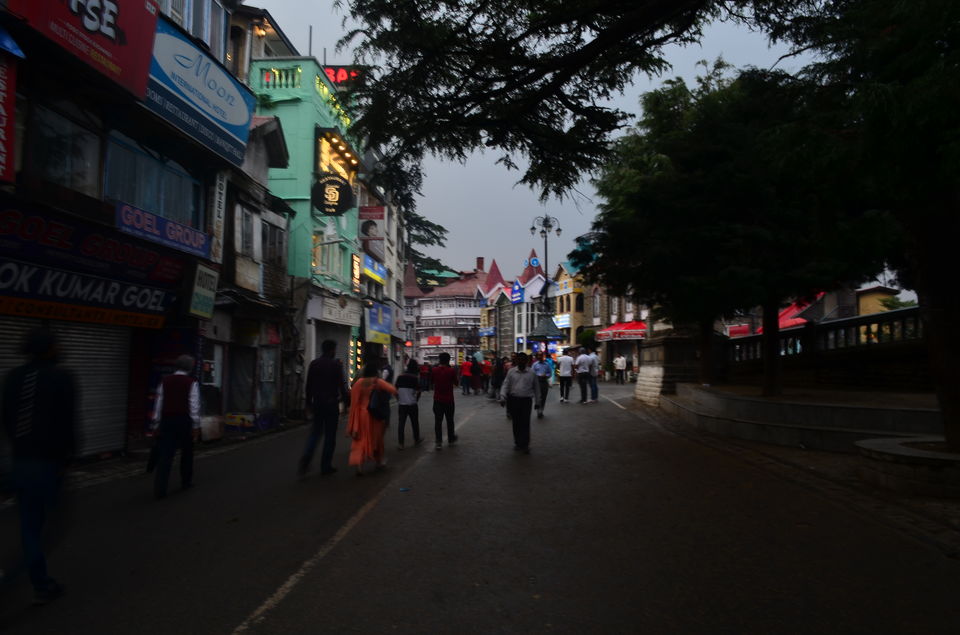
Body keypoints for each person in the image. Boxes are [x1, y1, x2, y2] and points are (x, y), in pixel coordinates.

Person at [1, 328, 76, 604]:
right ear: (49, 349)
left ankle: (39, 580)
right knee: (49, 528)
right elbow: (67, 423)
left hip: (21, 462)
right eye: (56, 344)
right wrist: (67, 459)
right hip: (48, 464)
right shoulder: (61, 377)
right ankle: (21, 582)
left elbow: (7, 420)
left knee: (30, 525)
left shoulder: (13, 377)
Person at [299, 339, 351, 477]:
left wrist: (308, 405)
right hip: (331, 404)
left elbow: (308, 386)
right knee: (330, 436)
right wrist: (346, 404)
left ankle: (306, 459)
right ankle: (325, 466)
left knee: (315, 433)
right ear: (332, 350)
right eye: (335, 349)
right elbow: (342, 386)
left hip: (317, 404)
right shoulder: (336, 365)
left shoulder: (314, 364)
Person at [152, 354, 201, 499]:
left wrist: (156, 424)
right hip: (184, 421)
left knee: (165, 455)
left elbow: (159, 404)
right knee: (187, 452)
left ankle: (160, 488)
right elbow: (194, 406)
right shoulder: (191, 382)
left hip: (167, 421)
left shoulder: (165, 381)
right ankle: (186, 481)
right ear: (189, 368)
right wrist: (196, 425)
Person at [347, 363, 398, 475]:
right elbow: (392, 389)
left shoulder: (359, 383)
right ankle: (378, 463)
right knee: (377, 439)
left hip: (361, 415)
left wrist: (353, 421)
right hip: (374, 415)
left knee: (359, 440)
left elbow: (353, 402)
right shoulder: (377, 381)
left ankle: (359, 466)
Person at [499, 352, 540, 453]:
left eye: (523, 359)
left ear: (526, 361)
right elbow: (506, 385)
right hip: (514, 400)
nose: (521, 361)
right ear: (516, 360)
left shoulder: (532, 373)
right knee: (516, 423)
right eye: (519, 359)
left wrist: (538, 402)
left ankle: (525, 444)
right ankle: (518, 442)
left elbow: (536, 388)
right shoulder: (511, 372)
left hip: (526, 401)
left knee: (525, 423)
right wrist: (503, 397)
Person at [431, 352, 459, 449]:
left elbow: (431, 381)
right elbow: (456, 383)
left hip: (437, 399)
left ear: (439, 359)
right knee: (450, 420)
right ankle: (451, 439)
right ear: (448, 360)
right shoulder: (451, 371)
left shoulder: (434, 370)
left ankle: (438, 442)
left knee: (438, 421)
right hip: (449, 399)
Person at [395, 360, 423, 449]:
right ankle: (416, 439)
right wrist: (416, 400)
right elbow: (419, 391)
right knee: (414, 423)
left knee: (401, 424)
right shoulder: (414, 378)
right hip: (412, 404)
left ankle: (401, 444)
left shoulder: (400, 376)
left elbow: (395, 389)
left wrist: (398, 399)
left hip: (402, 404)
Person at [531, 353, 552, 418]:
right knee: (538, 397)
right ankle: (539, 410)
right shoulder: (535, 364)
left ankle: (541, 409)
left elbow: (550, 373)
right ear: (537, 356)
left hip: (544, 382)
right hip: (537, 382)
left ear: (543, 356)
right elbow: (532, 373)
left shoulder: (547, 364)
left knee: (543, 397)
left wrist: (546, 375)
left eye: (540, 355)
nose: (539, 356)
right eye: (538, 355)